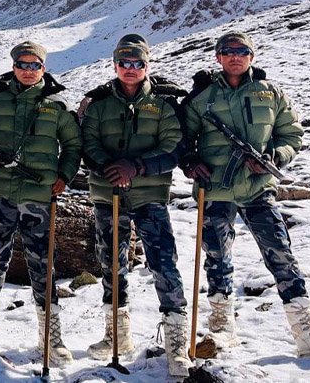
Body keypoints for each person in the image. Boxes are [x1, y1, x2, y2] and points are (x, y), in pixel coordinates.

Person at [180, 31, 310, 357]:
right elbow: (182, 137)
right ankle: (220, 326)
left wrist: (275, 157)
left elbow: (291, 134)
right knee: (216, 257)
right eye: (228, 51)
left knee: (280, 253)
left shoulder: (270, 94)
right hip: (216, 188)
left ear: (252, 57)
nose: (235, 56)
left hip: (258, 189)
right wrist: (189, 161)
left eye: (242, 51)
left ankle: (306, 331)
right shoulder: (202, 97)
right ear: (218, 57)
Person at [0, 41, 81, 366]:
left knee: (43, 265)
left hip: (39, 195)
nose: (28, 71)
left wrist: (65, 175)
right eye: (23, 64)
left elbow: (72, 143)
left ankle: (50, 338)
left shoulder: (56, 105)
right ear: (14, 66)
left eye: (35, 65)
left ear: (44, 67)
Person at [78, 34, 191, 377]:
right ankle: (118, 333)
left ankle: (176, 342)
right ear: (114, 65)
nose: (130, 69)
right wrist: (108, 167)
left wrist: (137, 167)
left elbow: (174, 147)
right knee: (111, 261)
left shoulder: (164, 103)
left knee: (163, 263)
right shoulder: (97, 104)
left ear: (147, 65)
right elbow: (86, 143)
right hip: (106, 193)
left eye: (137, 63)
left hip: (149, 195)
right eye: (124, 63)